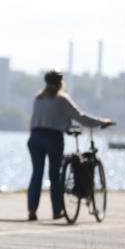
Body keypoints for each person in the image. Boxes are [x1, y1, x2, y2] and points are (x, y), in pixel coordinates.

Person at [27, 70, 114, 221]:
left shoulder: (38, 98)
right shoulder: (61, 100)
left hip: (35, 137)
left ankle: (32, 209)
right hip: (53, 138)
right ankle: (57, 210)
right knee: (55, 175)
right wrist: (101, 122)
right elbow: (81, 117)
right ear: (60, 83)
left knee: (37, 174)